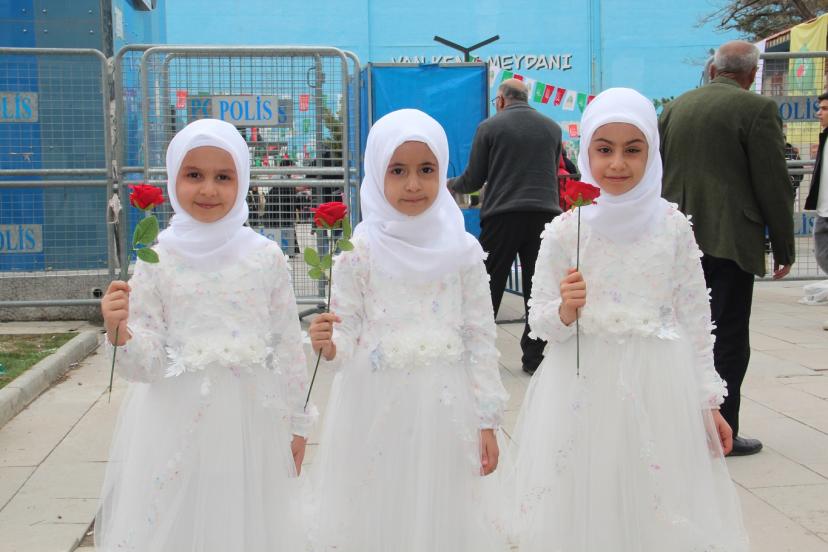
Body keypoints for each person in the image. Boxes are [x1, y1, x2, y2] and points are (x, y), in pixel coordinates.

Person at [512, 88, 749, 552]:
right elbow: (539, 321)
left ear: (652, 153)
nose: (617, 163)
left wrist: (708, 402)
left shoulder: (672, 226)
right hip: (583, 384)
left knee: (653, 494)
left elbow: (695, 319)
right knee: (587, 492)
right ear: (586, 153)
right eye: (604, 150)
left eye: (633, 150)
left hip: (657, 383)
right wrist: (565, 309)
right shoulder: (566, 229)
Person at [96, 119, 315, 551]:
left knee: (245, 522)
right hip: (175, 423)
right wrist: (120, 333)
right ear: (173, 177)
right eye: (194, 174)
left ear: (243, 181)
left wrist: (298, 421)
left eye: (224, 177)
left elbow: (287, 344)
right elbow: (147, 364)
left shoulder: (265, 257)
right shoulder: (157, 258)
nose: (209, 190)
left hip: (251, 423)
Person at [308, 109, 509, 552]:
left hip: (445, 404)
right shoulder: (358, 251)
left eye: (427, 170)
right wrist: (330, 344)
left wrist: (487, 420)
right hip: (375, 402)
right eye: (397, 171)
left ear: (443, 172)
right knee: (381, 501)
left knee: (440, 505)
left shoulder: (463, 250)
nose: (413, 184)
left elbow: (480, 336)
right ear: (377, 171)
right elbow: (348, 330)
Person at [659, 40, 795, 455]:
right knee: (728, 335)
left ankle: (676, 425)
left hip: (676, 237)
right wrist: (783, 245)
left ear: (714, 69)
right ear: (752, 74)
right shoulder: (757, 109)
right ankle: (723, 431)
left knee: (678, 332)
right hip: (730, 239)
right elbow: (772, 181)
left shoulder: (676, 107)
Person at [449, 78, 563, 375]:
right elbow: (552, 170)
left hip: (503, 215)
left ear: (500, 100)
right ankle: (533, 357)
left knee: (488, 284)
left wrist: (449, 184)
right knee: (538, 288)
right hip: (545, 215)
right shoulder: (552, 128)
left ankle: (478, 353)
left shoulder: (490, 127)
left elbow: (473, 179)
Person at [807, 92, 828, 330]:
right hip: (824, 210)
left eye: (824, 109)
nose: (819, 113)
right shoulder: (824, 138)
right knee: (823, 256)